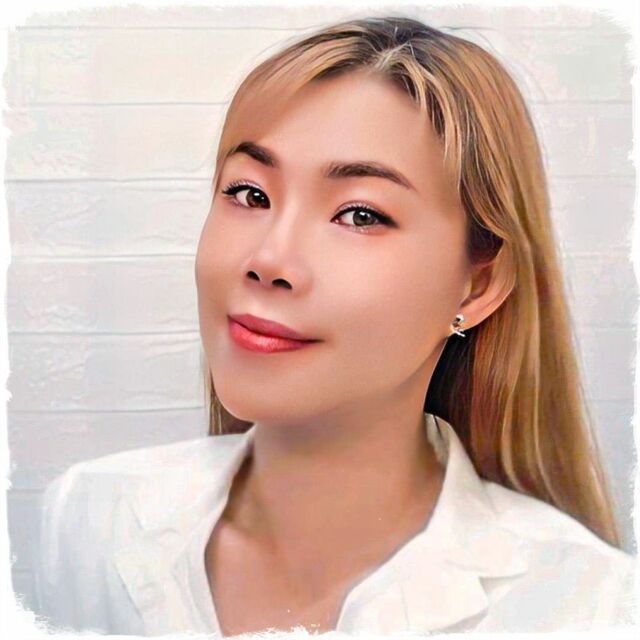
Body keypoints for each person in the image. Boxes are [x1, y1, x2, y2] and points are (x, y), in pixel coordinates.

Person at [33, 15, 636, 637]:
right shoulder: (89, 523)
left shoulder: (590, 610)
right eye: (250, 194)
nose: (269, 260)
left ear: (477, 285)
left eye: (359, 214)